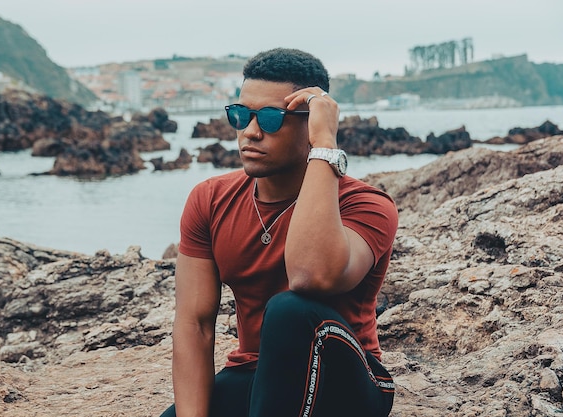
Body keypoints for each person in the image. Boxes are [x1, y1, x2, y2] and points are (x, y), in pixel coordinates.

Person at [160, 47, 398, 417]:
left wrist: (324, 148)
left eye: (271, 119)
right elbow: (195, 324)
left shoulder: (367, 205)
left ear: (310, 123)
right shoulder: (209, 200)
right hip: (256, 376)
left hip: (349, 386)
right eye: (241, 115)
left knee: (290, 309)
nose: (250, 132)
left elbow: (309, 276)